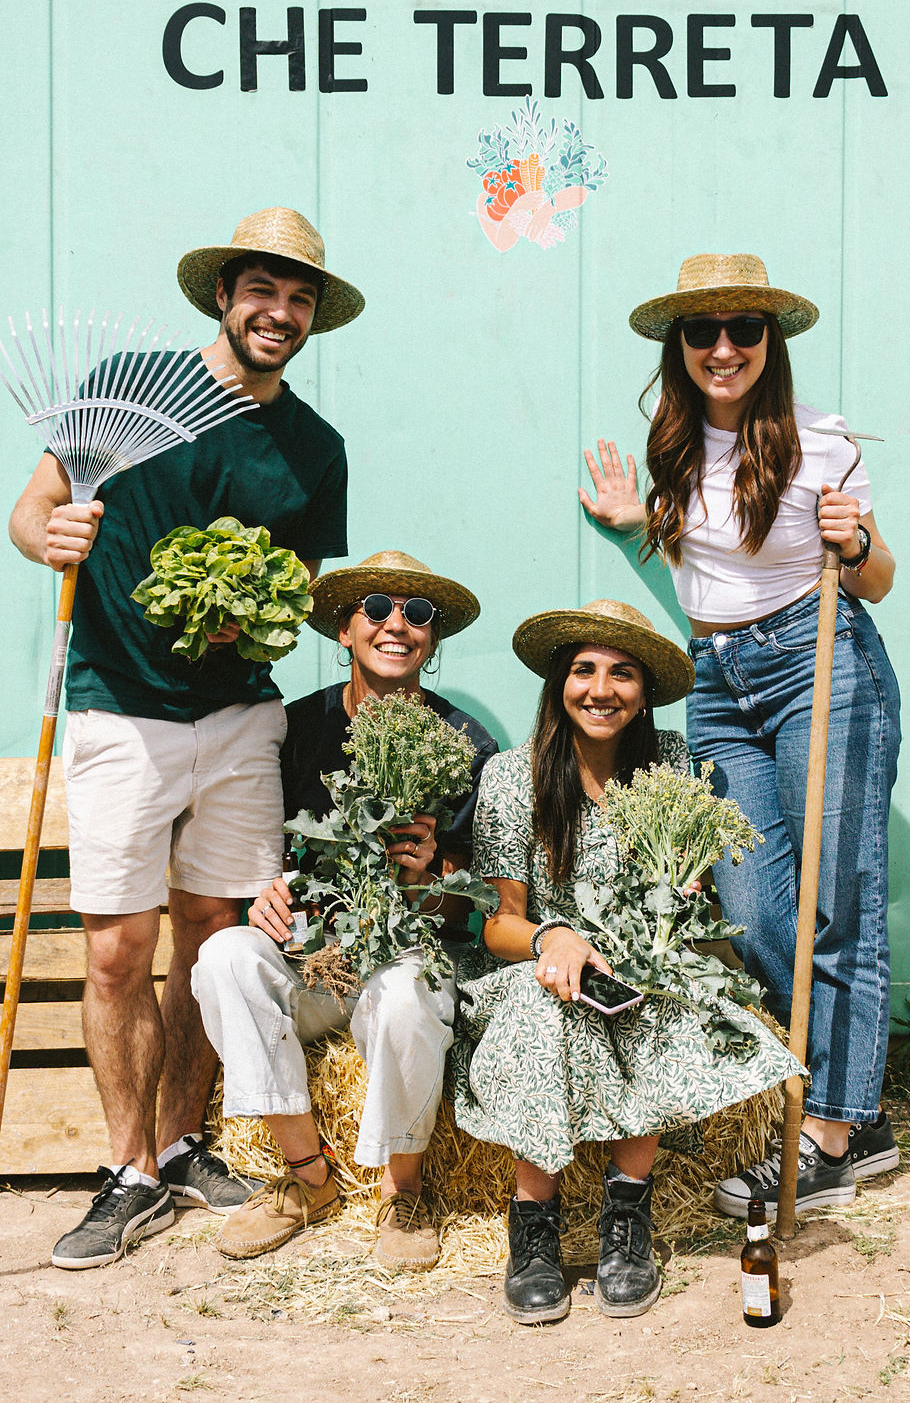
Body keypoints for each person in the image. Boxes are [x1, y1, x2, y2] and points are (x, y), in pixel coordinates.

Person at [8, 207, 365, 1269]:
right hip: (120, 704)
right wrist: (50, 535)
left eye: (300, 300)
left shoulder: (313, 450)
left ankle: (179, 1143)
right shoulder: (132, 385)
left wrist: (273, 605)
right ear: (224, 295)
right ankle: (125, 1175)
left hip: (240, 716)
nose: (280, 313)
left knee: (212, 941)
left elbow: (302, 590)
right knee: (117, 952)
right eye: (263, 291)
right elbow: (34, 510)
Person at [579, 253, 902, 1219]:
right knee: (757, 908)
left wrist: (852, 541)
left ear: (772, 342)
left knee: (837, 895)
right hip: (717, 679)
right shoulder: (672, 443)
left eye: (744, 331)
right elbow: (714, 561)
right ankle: (847, 1103)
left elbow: (879, 577)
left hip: (823, 662)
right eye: (702, 332)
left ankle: (837, 1132)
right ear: (678, 347)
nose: (724, 348)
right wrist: (643, 522)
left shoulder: (821, 440)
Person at [450, 599, 802, 1324]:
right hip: (538, 967)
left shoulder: (670, 762)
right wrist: (554, 939)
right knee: (550, 1009)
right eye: (583, 670)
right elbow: (498, 925)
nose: (600, 689)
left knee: (653, 997)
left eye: (623, 674)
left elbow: (684, 891)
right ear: (558, 683)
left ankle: (626, 1216)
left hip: (638, 964)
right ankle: (534, 1225)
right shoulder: (513, 778)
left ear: (644, 692)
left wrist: (683, 894)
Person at [193, 552, 497, 1269]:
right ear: (344, 629)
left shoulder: (468, 744)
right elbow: (256, 849)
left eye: (418, 613)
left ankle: (404, 1194)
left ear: (433, 638)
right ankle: (307, 1179)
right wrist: (261, 890)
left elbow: (469, 909)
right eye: (378, 606)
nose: (398, 624)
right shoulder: (294, 728)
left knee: (408, 996)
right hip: (315, 960)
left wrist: (431, 874)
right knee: (223, 957)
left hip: (402, 955)